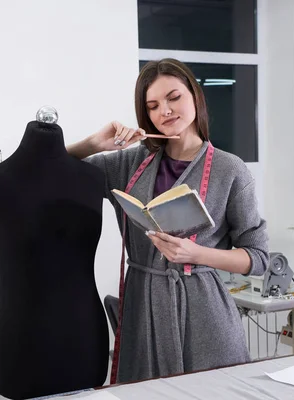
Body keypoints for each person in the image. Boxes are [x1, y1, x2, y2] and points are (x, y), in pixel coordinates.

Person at [66, 58, 269, 384]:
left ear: (194, 96)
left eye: (174, 97)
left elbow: (258, 259)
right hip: (143, 310)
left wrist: (197, 254)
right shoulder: (129, 162)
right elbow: (52, 170)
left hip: (206, 315)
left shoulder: (229, 170)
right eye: (153, 106)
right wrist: (94, 144)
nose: (165, 111)